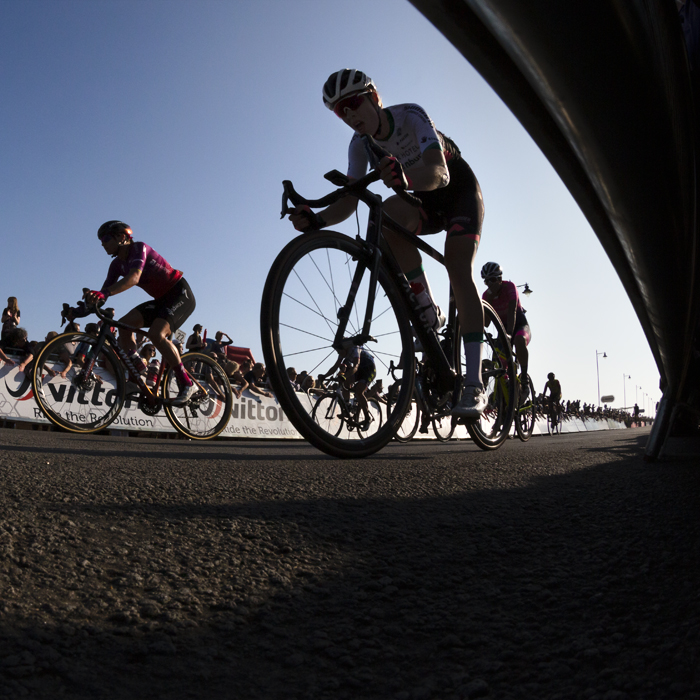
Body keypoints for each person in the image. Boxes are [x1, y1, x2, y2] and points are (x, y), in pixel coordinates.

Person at [290, 69, 487, 417]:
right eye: (341, 112)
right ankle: (426, 305)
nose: (349, 115)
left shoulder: (410, 115)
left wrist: (405, 177)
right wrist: (317, 219)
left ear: (374, 97)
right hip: (420, 200)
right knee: (383, 218)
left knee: (457, 266)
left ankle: (474, 383)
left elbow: (440, 173)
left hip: (457, 192)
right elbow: (349, 202)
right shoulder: (359, 144)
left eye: (353, 103)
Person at [85, 220, 197, 405]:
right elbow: (103, 295)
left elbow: (134, 278)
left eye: (105, 239)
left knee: (156, 334)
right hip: (160, 301)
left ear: (122, 237)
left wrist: (104, 292)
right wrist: (80, 309)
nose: (103, 244)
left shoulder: (139, 248)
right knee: (124, 326)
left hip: (179, 294)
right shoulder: (116, 265)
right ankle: (135, 377)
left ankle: (187, 383)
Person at [480, 262, 532, 397]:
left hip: (519, 325)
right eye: (486, 281)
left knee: (518, 340)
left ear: (499, 279)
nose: (489, 284)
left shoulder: (510, 286)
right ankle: (504, 396)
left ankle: (524, 378)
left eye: (492, 280)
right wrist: (489, 300)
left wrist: (509, 334)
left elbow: (512, 311)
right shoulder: (486, 296)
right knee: (498, 363)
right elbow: (485, 323)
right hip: (503, 329)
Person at [319, 341, 377, 430]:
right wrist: (325, 375)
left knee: (359, 391)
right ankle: (347, 406)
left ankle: (367, 417)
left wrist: (344, 376)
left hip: (369, 369)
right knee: (345, 382)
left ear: (344, 348)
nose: (339, 353)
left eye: (339, 351)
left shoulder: (354, 349)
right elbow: (335, 367)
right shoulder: (342, 352)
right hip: (359, 370)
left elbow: (355, 367)